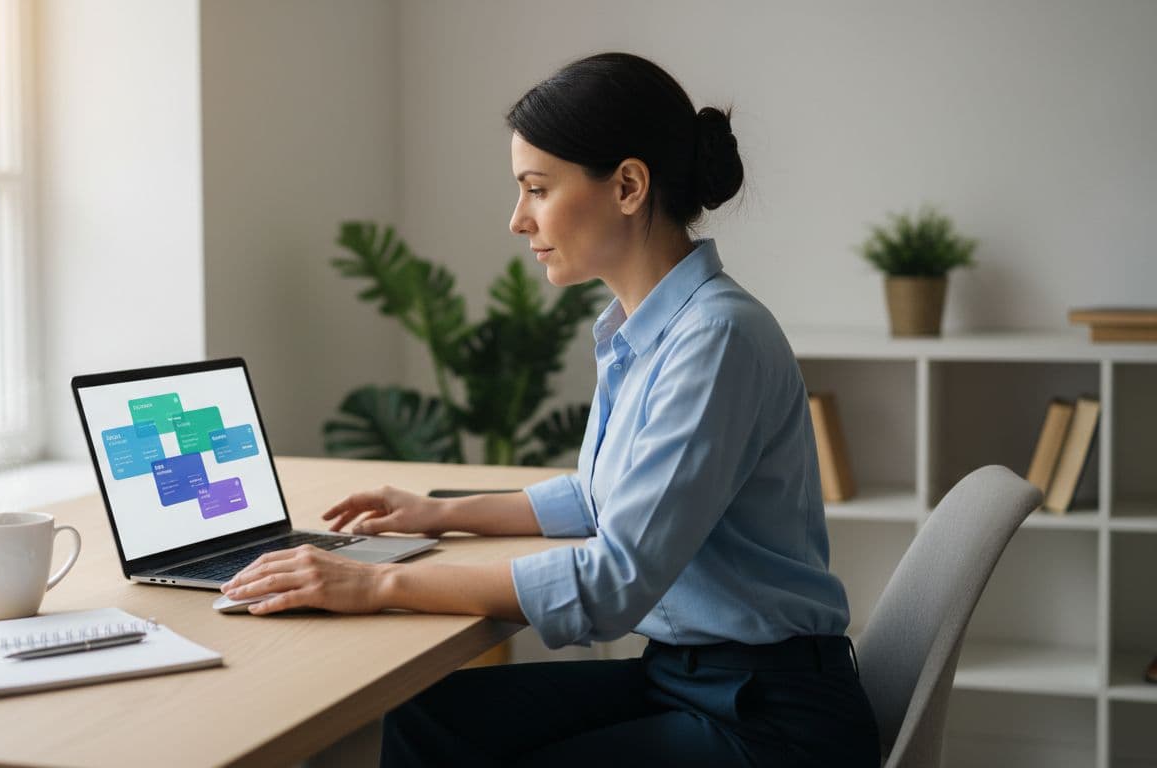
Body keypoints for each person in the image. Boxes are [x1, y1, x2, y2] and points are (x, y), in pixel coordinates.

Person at [220, 52, 880, 767]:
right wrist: (439, 512)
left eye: (537, 189)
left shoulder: (715, 339)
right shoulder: (645, 328)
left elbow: (614, 580)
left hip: (770, 721)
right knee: (431, 721)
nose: (517, 219)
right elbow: (603, 499)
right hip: (689, 677)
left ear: (628, 186)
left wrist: (379, 582)